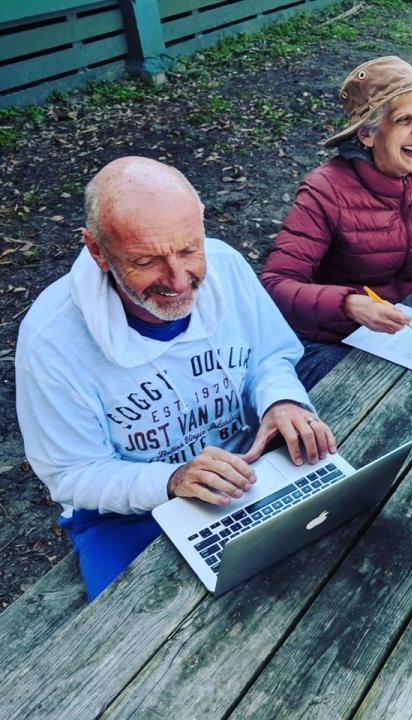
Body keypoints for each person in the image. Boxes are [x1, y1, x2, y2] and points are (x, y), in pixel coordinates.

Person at [15, 157, 336, 601]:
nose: (178, 280)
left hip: (250, 469)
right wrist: (171, 480)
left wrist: (281, 400)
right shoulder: (53, 339)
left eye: (189, 249)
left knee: (330, 566)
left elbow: (270, 356)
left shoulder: (227, 266)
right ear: (96, 251)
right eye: (146, 260)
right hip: (127, 513)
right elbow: (72, 474)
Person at [261, 56, 412, 389]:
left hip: (399, 333)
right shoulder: (325, 190)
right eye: (405, 120)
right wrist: (348, 304)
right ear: (366, 134)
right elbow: (275, 285)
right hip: (328, 342)